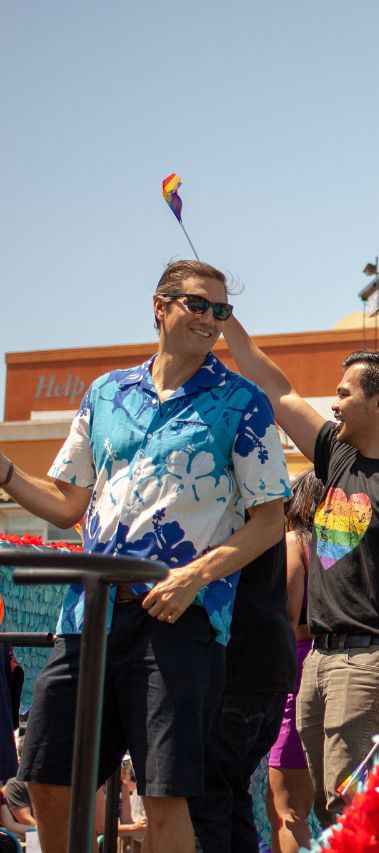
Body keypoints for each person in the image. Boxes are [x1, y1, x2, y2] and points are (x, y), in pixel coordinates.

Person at [1, 260, 289, 853]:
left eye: (221, 310)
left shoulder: (243, 401)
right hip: (85, 619)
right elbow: (65, 503)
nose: (210, 320)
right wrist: (5, 473)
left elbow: (269, 521)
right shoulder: (106, 392)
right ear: (160, 306)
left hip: (177, 619)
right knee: (46, 778)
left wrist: (193, 577)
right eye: (198, 305)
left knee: (165, 792)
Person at [221, 319, 379, 827]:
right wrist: (231, 328)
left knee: (360, 807)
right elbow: (279, 391)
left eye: (344, 392)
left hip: (372, 661)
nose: (333, 403)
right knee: (331, 810)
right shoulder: (338, 456)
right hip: (319, 662)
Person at [189, 538, 294, 852]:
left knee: (212, 792)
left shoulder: (236, 507)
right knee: (230, 790)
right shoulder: (264, 512)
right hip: (268, 662)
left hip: (240, 663)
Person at [268, 470, 325, 853]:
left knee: (289, 809)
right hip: (342, 664)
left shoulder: (296, 541)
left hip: (298, 668)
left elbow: (287, 616)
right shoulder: (342, 546)